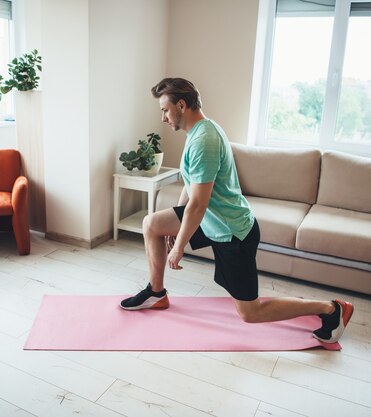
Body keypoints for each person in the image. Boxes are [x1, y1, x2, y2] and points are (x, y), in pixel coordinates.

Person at [120, 77, 354, 344]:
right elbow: (192, 187)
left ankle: (331, 309)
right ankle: (156, 293)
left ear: (182, 105)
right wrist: (179, 219)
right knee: (152, 224)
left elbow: (199, 204)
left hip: (231, 231)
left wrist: (179, 244)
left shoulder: (203, 141)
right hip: (211, 220)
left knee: (251, 312)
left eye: (164, 109)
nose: (162, 117)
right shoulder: (197, 131)